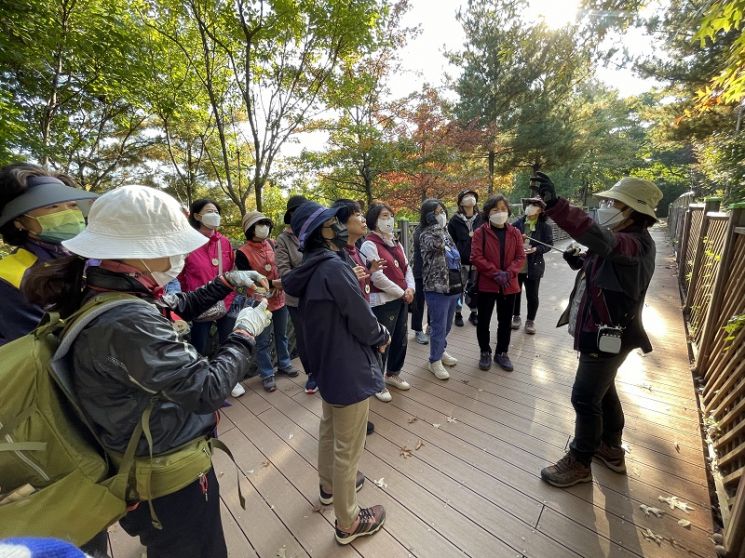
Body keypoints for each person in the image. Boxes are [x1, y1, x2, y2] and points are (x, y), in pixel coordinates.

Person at [21, 185, 271, 557]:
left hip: (136, 456)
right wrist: (245, 332)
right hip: (165, 473)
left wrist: (225, 282)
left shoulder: (106, 290)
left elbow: (174, 305)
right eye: (170, 244)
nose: (178, 253)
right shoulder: (125, 318)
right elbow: (206, 389)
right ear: (141, 251)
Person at [533, 173, 662, 488]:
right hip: (602, 332)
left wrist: (556, 205)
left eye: (613, 202)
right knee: (603, 390)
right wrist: (580, 263)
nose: (605, 206)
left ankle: (580, 461)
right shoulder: (624, 236)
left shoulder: (635, 243)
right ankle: (611, 447)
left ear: (633, 211)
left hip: (609, 335)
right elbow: (606, 262)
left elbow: (606, 244)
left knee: (585, 397)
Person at [283, 201, 388, 545]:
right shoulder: (333, 268)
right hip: (349, 366)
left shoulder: (311, 268)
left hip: (327, 364)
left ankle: (328, 488)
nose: (342, 225)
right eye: (333, 222)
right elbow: (359, 316)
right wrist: (381, 336)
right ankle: (350, 521)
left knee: (329, 429)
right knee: (349, 449)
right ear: (323, 231)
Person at [0, 163, 97, 345]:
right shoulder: (10, 276)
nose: (68, 213)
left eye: (73, 205)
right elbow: (38, 345)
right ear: (19, 221)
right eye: (53, 207)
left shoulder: (92, 260)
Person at [178, 199, 242, 397]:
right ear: (197, 216)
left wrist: (230, 293)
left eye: (216, 211)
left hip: (226, 300)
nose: (214, 214)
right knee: (200, 345)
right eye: (209, 211)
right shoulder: (187, 243)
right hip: (198, 304)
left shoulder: (224, 242)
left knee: (228, 340)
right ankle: (202, 384)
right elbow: (179, 275)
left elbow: (231, 269)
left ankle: (231, 380)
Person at [236, 211, 299, 393]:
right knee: (262, 341)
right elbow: (246, 278)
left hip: (279, 298)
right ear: (249, 228)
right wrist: (272, 283)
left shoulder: (272, 243)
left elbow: (281, 265)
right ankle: (266, 373)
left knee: (282, 334)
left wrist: (280, 283)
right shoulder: (242, 252)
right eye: (259, 224)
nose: (264, 227)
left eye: (266, 223)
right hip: (259, 303)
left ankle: (285, 363)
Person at [333, 199, 380, 435]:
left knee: (364, 366)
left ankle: (360, 418)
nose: (363, 219)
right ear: (342, 222)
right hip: (349, 321)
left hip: (362, 310)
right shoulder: (336, 255)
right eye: (357, 214)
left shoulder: (357, 247)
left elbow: (360, 280)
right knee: (354, 370)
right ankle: (351, 424)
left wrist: (369, 272)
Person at [360, 203, 415, 402]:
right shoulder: (369, 244)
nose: (389, 220)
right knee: (383, 342)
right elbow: (377, 277)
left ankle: (392, 373)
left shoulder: (396, 242)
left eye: (390, 215)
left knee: (401, 337)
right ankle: (377, 382)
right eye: (384, 216)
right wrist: (402, 292)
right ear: (374, 219)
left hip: (401, 298)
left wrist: (410, 289)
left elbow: (407, 268)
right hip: (383, 302)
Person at [470, 195, 525, 372]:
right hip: (487, 284)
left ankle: (502, 353)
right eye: (495, 209)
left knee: (505, 321)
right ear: (487, 213)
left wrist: (508, 273)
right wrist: (495, 273)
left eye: (502, 209)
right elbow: (476, 257)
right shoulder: (480, 233)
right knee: (484, 320)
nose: (500, 212)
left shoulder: (515, 232)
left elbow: (520, 256)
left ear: (508, 211)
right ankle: (484, 351)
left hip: (509, 285)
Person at [275, 195, 315, 392]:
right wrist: (312, 274)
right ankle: (312, 375)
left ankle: (326, 369)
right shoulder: (282, 240)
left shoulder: (314, 232)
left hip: (321, 296)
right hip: (298, 299)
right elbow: (285, 273)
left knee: (323, 333)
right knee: (304, 337)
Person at [418, 199, 461, 381]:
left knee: (448, 324)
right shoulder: (425, 235)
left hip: (453, 284)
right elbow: (437, 246)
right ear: (428, 216)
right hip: (436, 288)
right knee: (438, 326)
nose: (441, 214)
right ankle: (434, 360)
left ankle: (440, 351)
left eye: (442, 211)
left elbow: (455, 253)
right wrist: (435, 226)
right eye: (436, 212)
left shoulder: (445, 232)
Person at [511, 197, 553, 334]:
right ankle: (516, 317)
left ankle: (530, 320)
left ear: (540, 210)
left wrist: (536, 249)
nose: (530, 207)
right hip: (518, 265)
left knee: (532, 295)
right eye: (529, 204)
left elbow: (549, 244)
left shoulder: (545, 226)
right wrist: (518, 240)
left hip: (534, 265)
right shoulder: (518, 223)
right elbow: (508, 240)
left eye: (534, 205)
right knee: (515, 293)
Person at [448, 189, 483, 327]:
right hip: (460, 262)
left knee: (475, 288)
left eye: (472, 196)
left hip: (477, 261)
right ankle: (458, 313)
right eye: (467, 196)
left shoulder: (481, 218)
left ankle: (474, 312)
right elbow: (450, 242)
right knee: (459, 289)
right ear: (461, 202)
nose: (470, 198)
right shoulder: (454, 220)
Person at [410, 223, 430, 344]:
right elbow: (424, 246)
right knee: (419, 302)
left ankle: (430, 326)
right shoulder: (419, 230)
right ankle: (418, 329)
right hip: (420, 271)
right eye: (436, 212)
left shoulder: (443, 229)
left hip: (436, 273)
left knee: (433, 302)